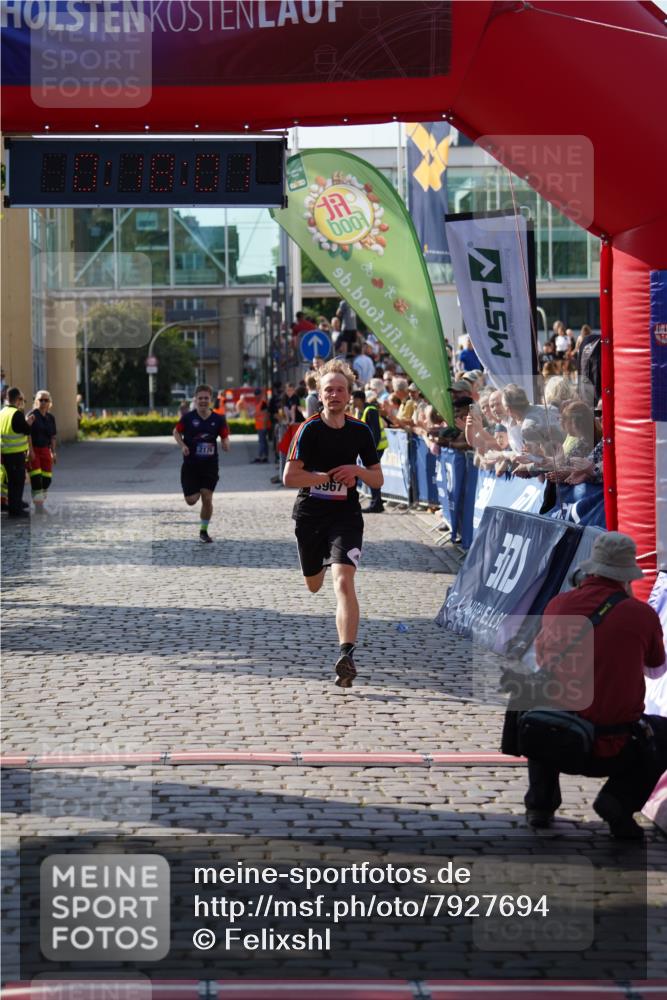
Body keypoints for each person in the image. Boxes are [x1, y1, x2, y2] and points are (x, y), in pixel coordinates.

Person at [519, 531, 667, 839]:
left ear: (590, 569)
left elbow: (540, 663)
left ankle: (540, 804)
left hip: (556, 737)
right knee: (664, 733)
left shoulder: (558, 604)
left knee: (533, 702)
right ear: (626, 576)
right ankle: (618, 801)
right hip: (614, 745)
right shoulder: (642, 615)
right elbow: (655, 672)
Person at [283, 359, 383, 688]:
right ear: (320, 395)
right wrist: (321, 478)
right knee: (314, 584)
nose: (334, 394)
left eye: (340, 389)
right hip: (311, 515)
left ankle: (347, 654)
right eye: (328, 390)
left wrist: (356, 472)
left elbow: (378, 479)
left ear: (349, 395)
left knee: (344, 581)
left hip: (346, 516)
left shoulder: (360, 431)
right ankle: (321, 562)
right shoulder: (308, 429)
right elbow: (289, 476)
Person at [173, 384, 230, 543]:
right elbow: (176, 431)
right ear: (195, 400)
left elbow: (225, 436)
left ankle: (203, 531)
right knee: (192, 500)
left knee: (207, 497)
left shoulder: (218, 419)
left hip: (210, 465)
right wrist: (183, 446)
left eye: (206, 398)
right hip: (191, 466)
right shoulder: (188, 418)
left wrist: (226, 444)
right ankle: (194, 490)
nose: (203, 401)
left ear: (210, 400)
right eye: (200, 398)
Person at [352, 388, 388, 513]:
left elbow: (375, 433)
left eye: (353, 399)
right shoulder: (359, 412)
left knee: (373, 474)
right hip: (368, 449)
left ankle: (376, 503)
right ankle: (376, 502)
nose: (351, 402)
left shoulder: (370, 411)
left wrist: (370, 451)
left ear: (359, 400)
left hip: (376, 448)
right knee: (371, 474)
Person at [0, 387, 34, 517]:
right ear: (18, 399)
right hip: (15, 454)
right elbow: (25, 430)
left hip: (4, 453)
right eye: (22, 399)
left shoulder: (2, 412)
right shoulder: (17, 413)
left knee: (10, 483)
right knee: (17, 482)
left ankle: (13, 507)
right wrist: (29, 422)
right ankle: (15, 510)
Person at [27, 389, 57, 510]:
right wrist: (30, 450)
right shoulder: (32, 415)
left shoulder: (51, 418)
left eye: (46, 400)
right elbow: (27, 434)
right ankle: (39, 505)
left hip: (45, 450)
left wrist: (53, 452)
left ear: (49, 402)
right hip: (34, 450)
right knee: (36, 479)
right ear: (36, 401)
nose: (43, 402)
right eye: (41, 400)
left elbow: (53, 436)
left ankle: (40, 499)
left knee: (47, 479)